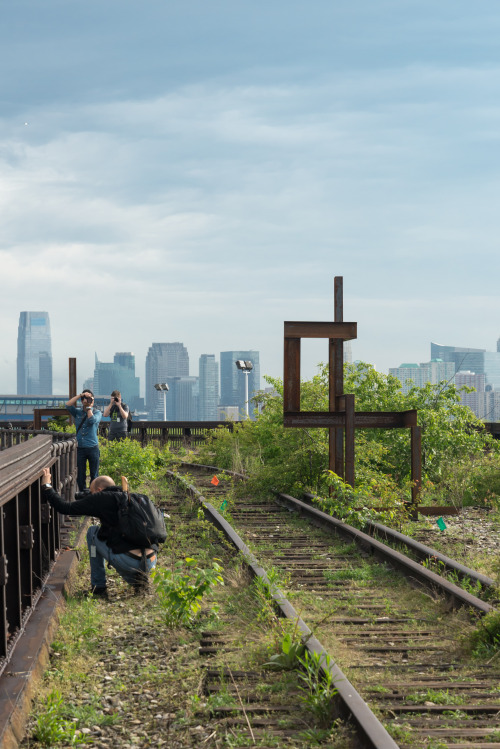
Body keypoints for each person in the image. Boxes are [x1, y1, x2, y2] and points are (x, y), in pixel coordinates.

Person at [41, 468, 158, 597]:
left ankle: (99, 587)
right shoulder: (132, 497)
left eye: (91, 493)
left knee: (92, 532)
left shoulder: (101, 498)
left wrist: (47, 486)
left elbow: (65, 507)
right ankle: (140, 582)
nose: (91, 496)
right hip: (150, 560)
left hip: (128, 561)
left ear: (99, 490)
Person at [65, 390, 102, 495]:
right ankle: (82, 493)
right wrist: (80, 395)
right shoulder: (77, 412)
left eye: (90, 398)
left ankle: (93, 493)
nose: (87, 400)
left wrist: (89, 407)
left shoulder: (97, 412)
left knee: (94, 473)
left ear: (93, 400)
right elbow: (67, 405)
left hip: (93, 447)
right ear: (82, 401)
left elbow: (92, 421)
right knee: (81, 473)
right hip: (80, 447)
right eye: (85, 399)